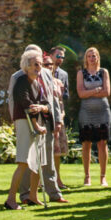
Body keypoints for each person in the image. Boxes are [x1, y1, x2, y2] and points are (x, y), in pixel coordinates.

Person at [16, 47, 66, 205]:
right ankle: (25, 194)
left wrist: (56, 119)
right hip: (27, 122)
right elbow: (14, 100)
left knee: (48, 158)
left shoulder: (45, 73)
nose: (39, 65)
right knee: (27, 159)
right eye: (35, 61)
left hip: (47, 119)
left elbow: (52, 98)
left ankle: (54, 192)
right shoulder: (18, 77)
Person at [6, 49, 50, 210]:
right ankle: (10, 199)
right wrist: (36, 124)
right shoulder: (21, 82)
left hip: (37, 121)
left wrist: (43, 108)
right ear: (27, 66)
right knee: (23, 161)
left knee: (39, 161)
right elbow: (26, 104)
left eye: (40, 64)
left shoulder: (38, 83)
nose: (39, 68)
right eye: (36, 65)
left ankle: (33, 195)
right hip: (25, 122)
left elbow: (45, 103)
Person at [76, 46, 111, 186]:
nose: (92, 58)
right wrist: (97, 90)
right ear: (86, 58)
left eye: (94, 55)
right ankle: (87, 176)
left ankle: (103, 176)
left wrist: (89, 91)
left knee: (102, 143)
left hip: (103, 111)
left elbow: (107, 92)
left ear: (98, 58)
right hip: (86, 112)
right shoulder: (81, 73)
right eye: (89, 56)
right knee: (86, 144)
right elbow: (80, 94)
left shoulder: (104, 72)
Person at [42, 51, 70, 189]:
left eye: (51, 65)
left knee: (57, 153)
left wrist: (62, 115)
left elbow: (60, 102)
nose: (49, 67)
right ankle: (42, 181)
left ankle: (57, 180)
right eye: (46, 64)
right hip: (46, 119)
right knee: (45, 151)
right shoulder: (38, 82)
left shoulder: (58, 82)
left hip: (58, 119)